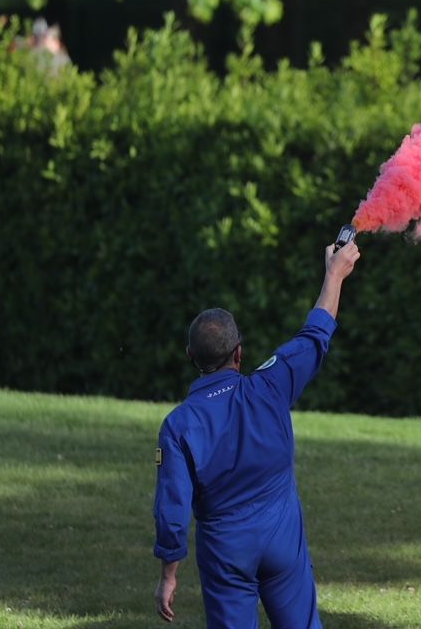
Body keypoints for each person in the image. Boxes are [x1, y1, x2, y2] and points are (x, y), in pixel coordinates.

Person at [152, 237, 361, 627]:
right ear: (239, 353)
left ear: (190, 357)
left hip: (226, 550)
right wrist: (334, 276)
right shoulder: (271, 386)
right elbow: (315, 335)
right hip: (283, 540)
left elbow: (173, 509)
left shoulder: (178, 425)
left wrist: (168, 574)